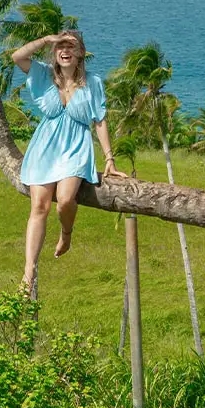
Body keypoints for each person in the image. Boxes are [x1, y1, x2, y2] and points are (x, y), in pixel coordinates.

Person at [12, 30, 124, 291]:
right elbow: (17, 56)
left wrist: (109, 158)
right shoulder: (42, 74)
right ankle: (29, 271)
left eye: (71, 46)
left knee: (64, 201)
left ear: (81, 53)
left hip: (75, 148)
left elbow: (100, 121)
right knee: (39, 206)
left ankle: (66, 234)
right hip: (45, 147)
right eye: (60, 46)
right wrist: (45, 40)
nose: (65, 51)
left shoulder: (93, 82)